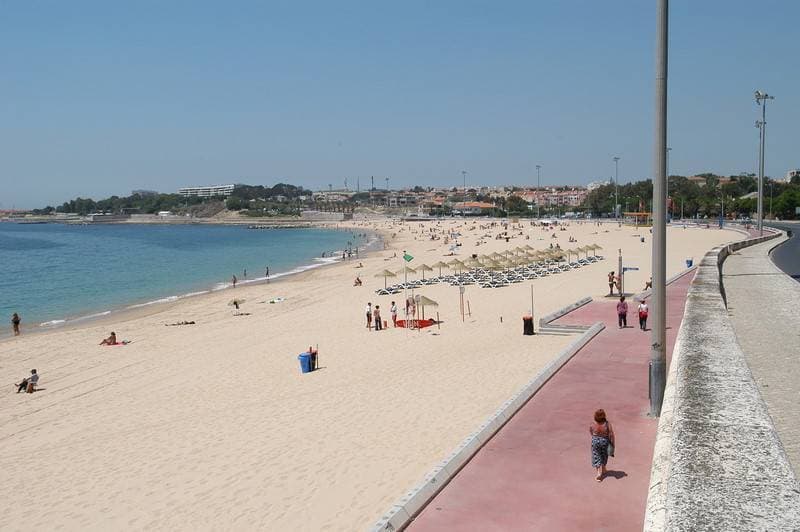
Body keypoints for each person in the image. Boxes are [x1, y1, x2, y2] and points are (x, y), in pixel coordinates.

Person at [590, 409, 615, 481]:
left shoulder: (593, 423)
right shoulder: (607, 424)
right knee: (604, 455)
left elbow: (591, 431)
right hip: (604, 441)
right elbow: (611, 434)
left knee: (596, 455)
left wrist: (595, 437)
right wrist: (613, 444)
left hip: (595, 440)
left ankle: (598, 472)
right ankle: (604, 469)